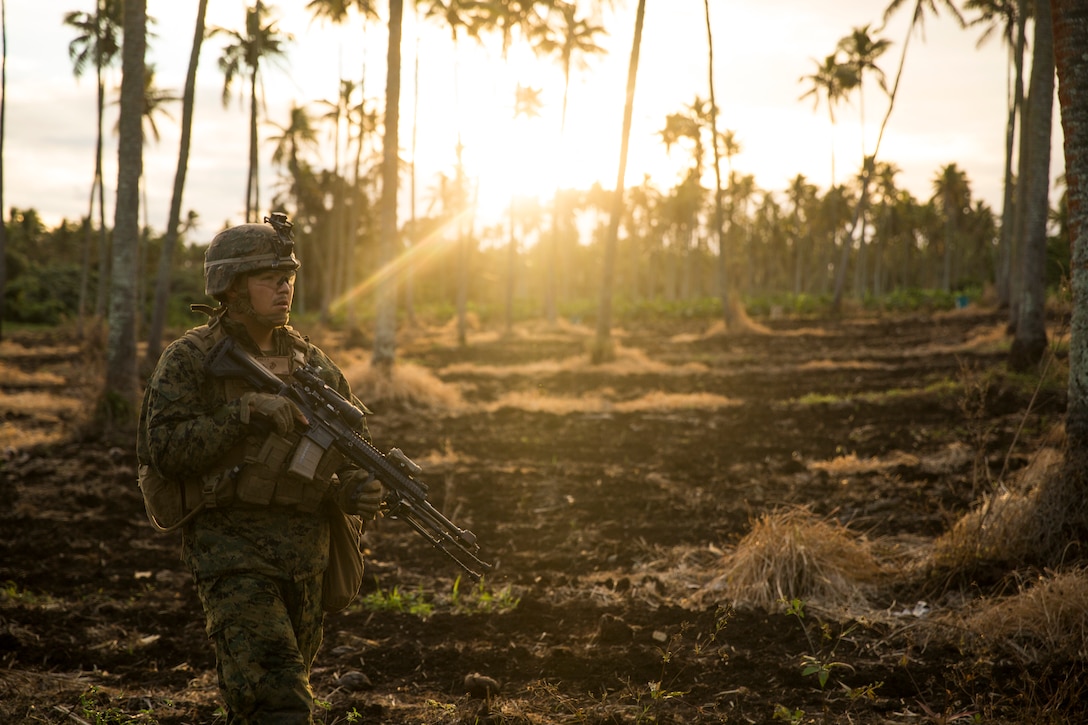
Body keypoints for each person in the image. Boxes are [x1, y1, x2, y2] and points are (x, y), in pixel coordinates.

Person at [137, 214, 383, 724]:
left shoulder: (313, 363)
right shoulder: (191, 361)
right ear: (230, 286)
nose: (284, 286)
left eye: (288, 276)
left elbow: (350, 449)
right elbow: (164, 450)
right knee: (279, 704)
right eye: (269, 276)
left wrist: (355, 490)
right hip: (234, 554)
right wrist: (242, 413)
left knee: (269, 700)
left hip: (307, 558)